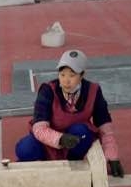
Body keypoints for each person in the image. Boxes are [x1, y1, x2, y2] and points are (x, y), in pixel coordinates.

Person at [15, 48, 124, 176]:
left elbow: (104, 126)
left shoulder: (94, 91)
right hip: (49, 141)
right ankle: (46, 160)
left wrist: (112, 155)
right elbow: (39, 128)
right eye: (62, 75)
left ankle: (73, 163)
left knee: (82, 132)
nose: (66, 81)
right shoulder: (47, 90)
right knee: (24, 149)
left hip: (75, 141)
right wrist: (60, 139)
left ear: (82, 75)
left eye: (72, 75)